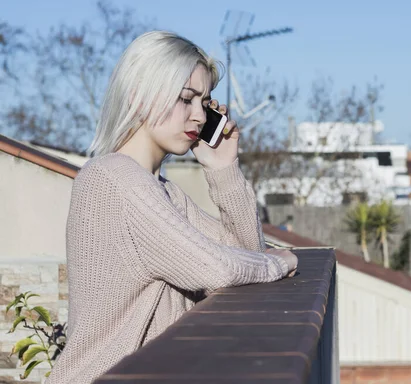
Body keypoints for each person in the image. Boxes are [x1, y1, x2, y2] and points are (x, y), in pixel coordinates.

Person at [46, 31, 298, 384]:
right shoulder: (113, 180)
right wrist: (280, 261)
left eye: (205, 103)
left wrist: (224, 169)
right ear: (139, 95)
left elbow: (245, 253)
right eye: (185, 99)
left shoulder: (163, 191)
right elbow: (219, 268)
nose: (198, 116)